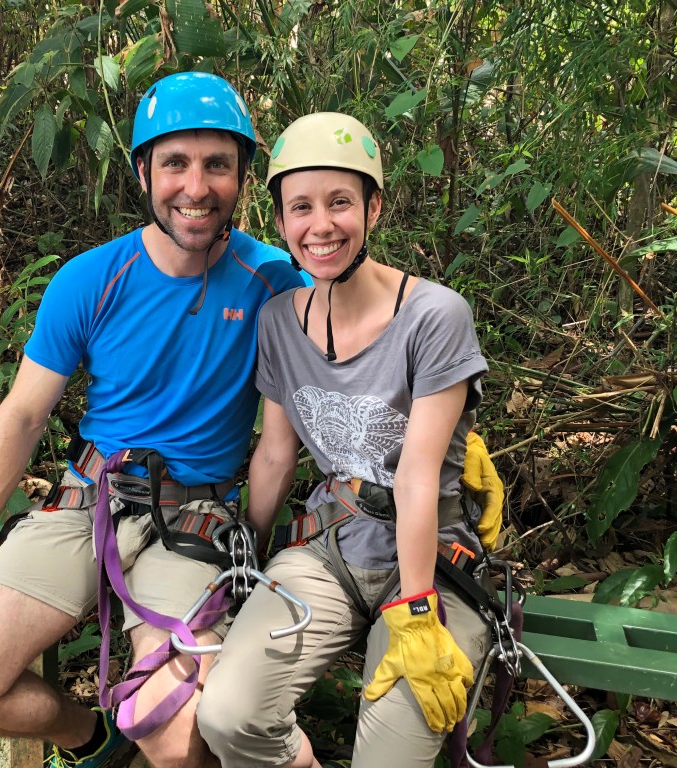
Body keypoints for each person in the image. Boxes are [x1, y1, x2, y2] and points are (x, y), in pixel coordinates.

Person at [0, 72, 305, 768]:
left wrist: (256, 544)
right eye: (175, 163)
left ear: (243, 175)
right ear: (143, 172)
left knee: (176, 733)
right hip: (85, 503)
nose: (195, 185)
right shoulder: (94, 278)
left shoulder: (275, 283)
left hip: (194, 522)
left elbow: (329, 378)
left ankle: (139, 729)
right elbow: (26, 410)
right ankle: (91, 739)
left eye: (217, 163)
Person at [197, 112, 503, 768]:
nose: (322, 225)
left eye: (341, 202)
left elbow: (419, 473)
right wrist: (245, 554)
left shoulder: (434, 316)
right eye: (300, 207)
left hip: (434, 561)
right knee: (228, 716)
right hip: (331, 548)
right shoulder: (280, 319)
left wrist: (417, 609)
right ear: (280, 223)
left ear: (374, 207)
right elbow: (277, 453)